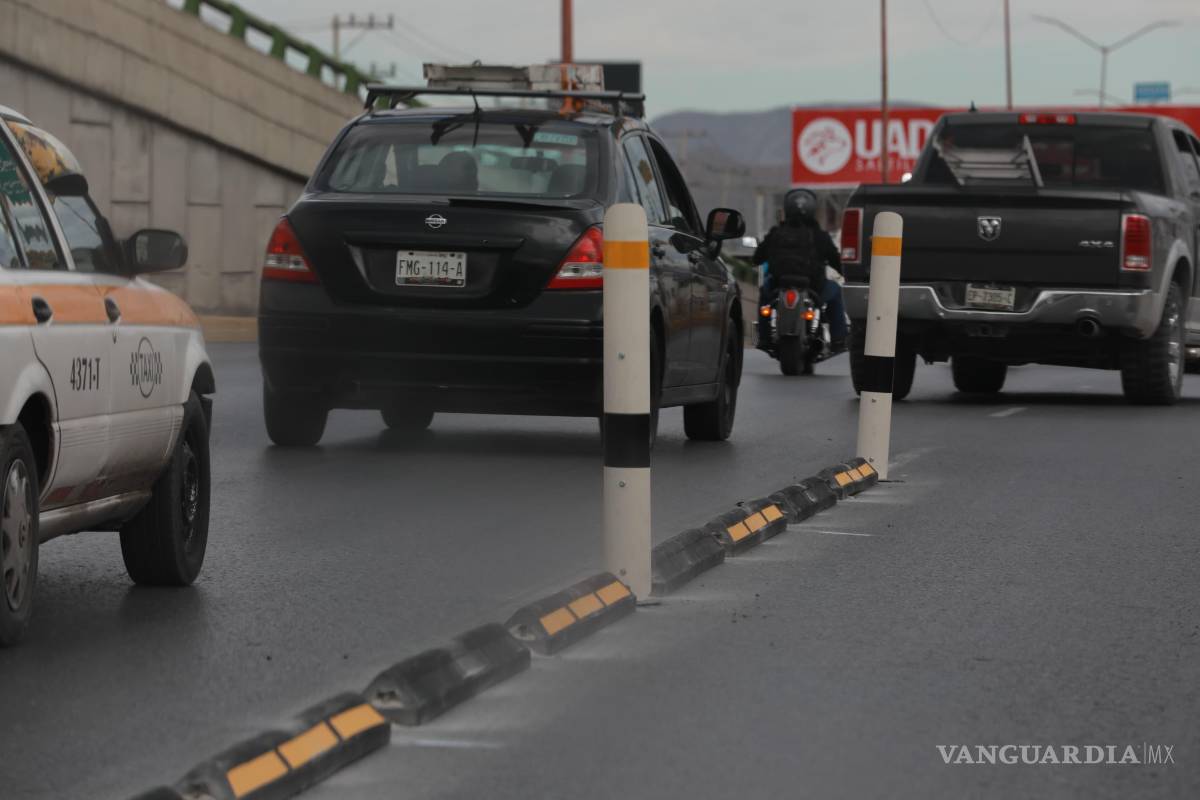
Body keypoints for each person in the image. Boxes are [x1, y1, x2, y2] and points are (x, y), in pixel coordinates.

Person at [753, 188, 848, 354]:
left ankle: (764, 338)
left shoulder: (776, 233)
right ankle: (839, 340)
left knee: (764, 295)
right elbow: (836, 261)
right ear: (812, 209)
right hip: (815, 286)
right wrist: (849, 273)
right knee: (835, 292)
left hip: (778, 284)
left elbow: (757, 258)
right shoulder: (820, 236)